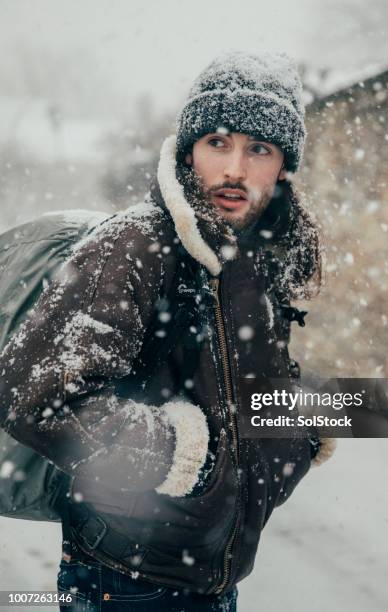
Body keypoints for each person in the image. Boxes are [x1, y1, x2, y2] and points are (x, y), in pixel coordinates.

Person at [0, 50, 336, 610]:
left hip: (216, 579)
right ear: (188, 152)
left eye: (259, 149)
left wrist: (299, 432)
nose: (235, 168)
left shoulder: (256, 261)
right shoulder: (133, 246)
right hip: (121, 582)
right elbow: (40, 393)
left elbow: (240, 386)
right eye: (218, 143)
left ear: (283, 166)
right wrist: (181, 457)